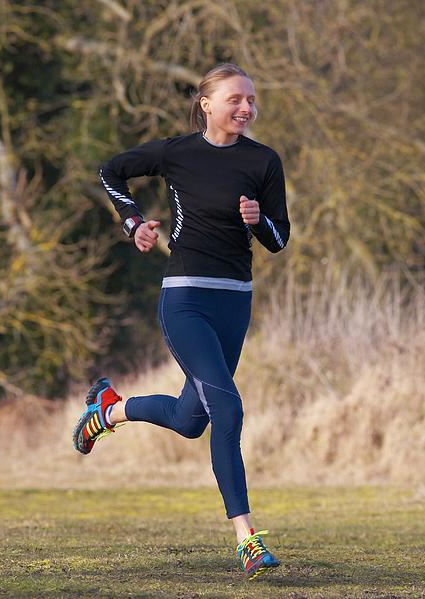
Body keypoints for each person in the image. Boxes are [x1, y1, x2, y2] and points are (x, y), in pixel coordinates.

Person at [72, 63, 289, 580]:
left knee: (193, 420)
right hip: (186, 297)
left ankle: (109, 409)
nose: (246, 108)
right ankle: (248, 540)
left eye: (252, 101)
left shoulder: (264, 161)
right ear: (207, 104)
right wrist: (132, 224)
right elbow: (111, 170)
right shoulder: (177, 152)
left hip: (235, 301)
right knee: (229, 410)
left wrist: (259, 222)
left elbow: (281, 241)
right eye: (235, 99)